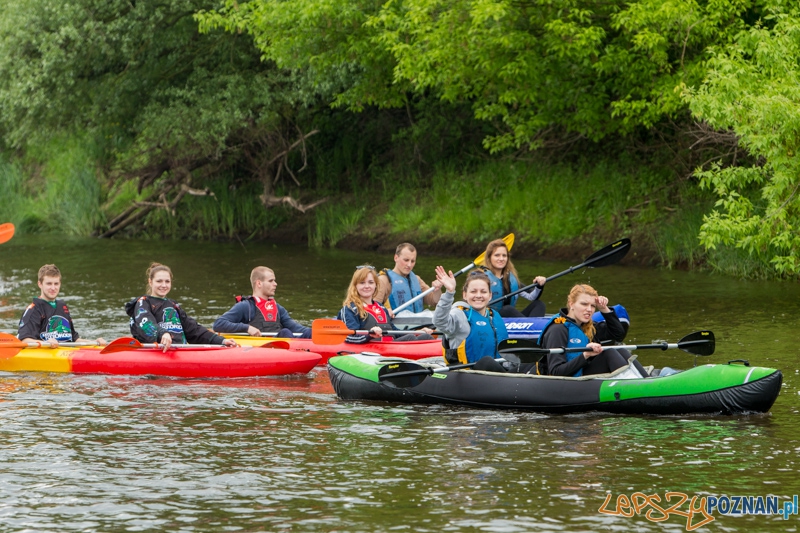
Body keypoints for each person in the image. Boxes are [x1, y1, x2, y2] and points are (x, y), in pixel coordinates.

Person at [433, 267, 531, 373]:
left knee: (530, 360)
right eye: (473, 291)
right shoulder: (459, 315)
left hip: (498, 373)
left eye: (483, 292)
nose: (478, 295)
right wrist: (449, 292)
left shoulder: (494, 316)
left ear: (490, 296)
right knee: (487, 362)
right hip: (469, 374)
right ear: (465, 295)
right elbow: (439, 321)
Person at [538, 284, 648, 377]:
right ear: (571, 304)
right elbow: (555, 372)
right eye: (584, 304)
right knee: (608, 353)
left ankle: (646, 380)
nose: (589, 309)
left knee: (619, 349)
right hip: (568, 381)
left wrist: (604, 309)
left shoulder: (588, 326)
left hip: (584, 372)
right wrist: (585, 355)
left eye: (593, 306)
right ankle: (634, 386)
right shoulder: (558, 329)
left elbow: (618, 335)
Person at [125, 262, 237, 352]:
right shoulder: (143, 302)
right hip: (155, 352)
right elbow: (146, 323)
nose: (164, 285)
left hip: (180, 352)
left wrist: (221, 341)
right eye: (159, 281)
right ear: (150, 282)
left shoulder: (173, 305)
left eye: (167, 281)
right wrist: (163, 333)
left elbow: (194, 329)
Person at [337, 264, 435, 344]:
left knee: (425, 336)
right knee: (410, 338)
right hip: (371, 350)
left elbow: (394, 331)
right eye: (362, 283)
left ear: (376, 285)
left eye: (371, 282)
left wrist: (417, 332)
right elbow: (348, 337)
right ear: (355, 286)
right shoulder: (350, 309)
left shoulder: (381, 308)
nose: (367, 286)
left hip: (389, 346)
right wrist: (369, 335)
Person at [18, 264, 105, 348]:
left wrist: (95, 342)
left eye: (56, 284)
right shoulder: (33, 309)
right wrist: (46, 343)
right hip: (46, 355)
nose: (53, 288)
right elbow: (24, 340)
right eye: (49, 284)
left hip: (65, 352)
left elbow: (75, 339)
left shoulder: (62, 306)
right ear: (40, 284)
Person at [212, 266, 311, 339]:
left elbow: (295, 328)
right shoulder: (245, 306)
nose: (275, 284)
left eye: (274, 281)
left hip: (282, 345)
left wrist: (314, 332)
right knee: (285, 332)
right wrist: (247, 328)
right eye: (271, 281)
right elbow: (218, 324)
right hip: (262, 350)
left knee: (309, 332)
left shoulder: (278, 308)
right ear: (259, 283)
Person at [480, 239, 547, 318]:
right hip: (491, 318)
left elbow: (532, 297)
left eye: (504, 255)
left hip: (511, 319)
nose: (501, 259)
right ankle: (530, 325)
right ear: (489, 257)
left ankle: (534, 327)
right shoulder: (481, 278)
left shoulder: (511, 279)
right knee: (507, 309)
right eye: (497, 255)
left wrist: (539, 285)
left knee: (539, 304)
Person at [374, 243, 442, 316]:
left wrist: (437, 290)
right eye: (406, 260)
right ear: (396, 258)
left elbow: (435, 302)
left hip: (419, 325)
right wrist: (385, 311)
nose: (409, 265)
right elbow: (373, 307)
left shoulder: (417, 279)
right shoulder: (384, 280)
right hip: (396, 325)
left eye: (412, 261)